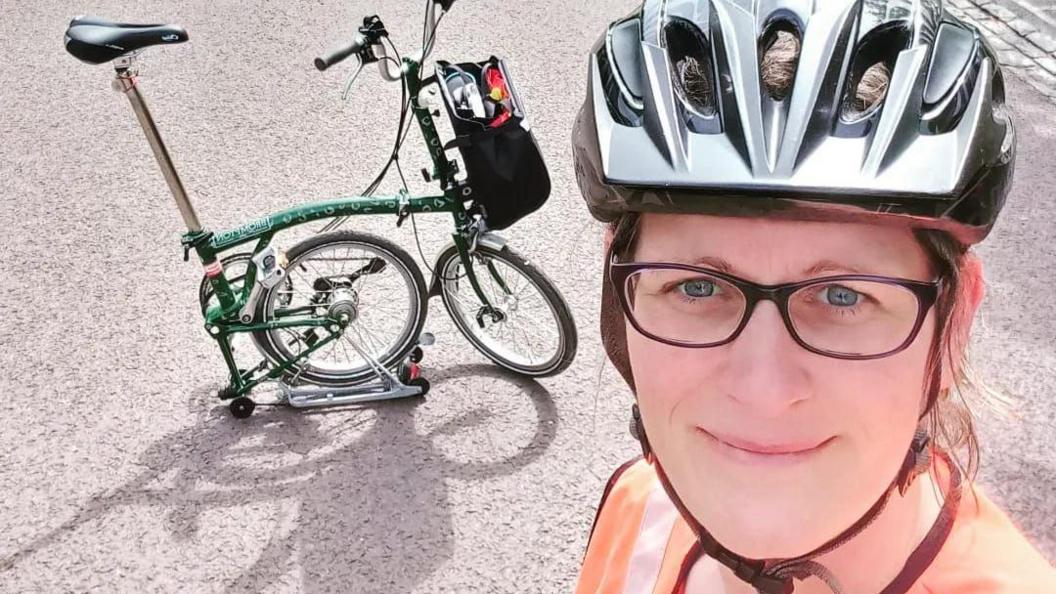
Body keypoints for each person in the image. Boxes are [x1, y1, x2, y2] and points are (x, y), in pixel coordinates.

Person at [569, 1, 1056, 592]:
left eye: (844, 296)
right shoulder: (638, 507)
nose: (764, 391)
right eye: (696, 286)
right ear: (622, 304)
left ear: (954, 327)